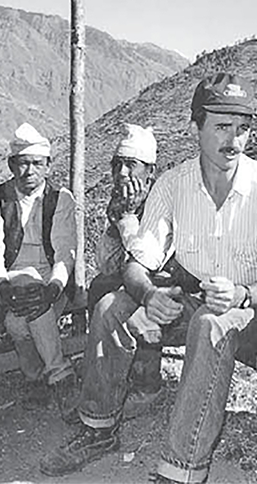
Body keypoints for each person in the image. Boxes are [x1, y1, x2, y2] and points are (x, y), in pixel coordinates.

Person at [42, 72, 257, 482]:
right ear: (196, 127)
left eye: (243, 129)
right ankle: (97, 428)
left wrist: (241, 294)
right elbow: (135, 264)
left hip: (254, 310)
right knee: (112, 307)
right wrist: (148, 296)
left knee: (209, 323)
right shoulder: (173, 184)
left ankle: (183, 468)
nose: (233, 140)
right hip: (198, 296)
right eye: (221, 127)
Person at [0, 122, 79, 421]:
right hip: (9, 283)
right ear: (11, 165)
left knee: (21, 323)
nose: (29, 171)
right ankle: (61, 378)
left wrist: (53, 288)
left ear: (48, 165)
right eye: (22, 163)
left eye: (37, 164)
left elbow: (65, 251)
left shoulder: (61, 199)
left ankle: (36, 376)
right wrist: (3, 287)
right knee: (26, 291)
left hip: (51, 282)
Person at [86, 123, 163, 415]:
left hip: (163, 288)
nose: (122, 173)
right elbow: (106, 264)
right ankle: (110, 378)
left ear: (150, 171)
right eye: (116, 165)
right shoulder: (124, 202)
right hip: (133, 283)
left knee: (115, 303)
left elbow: (148, 259)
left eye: (131, 165)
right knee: (100, 286)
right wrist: (115, 225)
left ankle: (146, 384)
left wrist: (128, 218)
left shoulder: (161, 202)